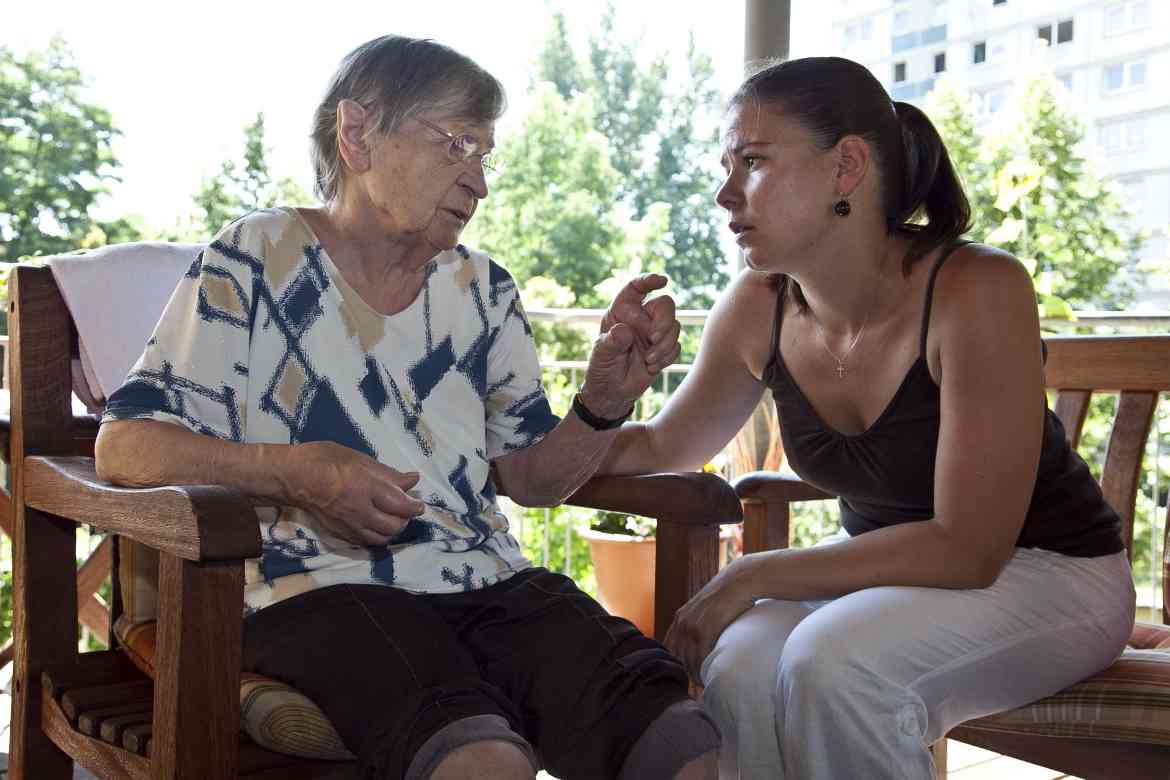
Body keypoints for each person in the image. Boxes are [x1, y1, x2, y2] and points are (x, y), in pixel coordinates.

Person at [94, 35, 719, 780]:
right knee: (480, 757)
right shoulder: (256, 258)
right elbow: (124, 445)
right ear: (357, 134)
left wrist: (602, 405)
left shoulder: (484, 291)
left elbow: (532, 480)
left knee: (680, 739)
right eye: (458, 144)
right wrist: (296, 473)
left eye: (486, 153)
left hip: (490, 585)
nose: (479, 180)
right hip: (317, 592)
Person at [596, 56, 1135, 779]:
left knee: (836, 664)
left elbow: (968, 550)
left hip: (1048, 576)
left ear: (847, 166)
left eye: (753, 163)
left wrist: (753, 573)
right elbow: (664, 440)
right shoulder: (761, 304)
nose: (725, 194)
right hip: (884, 589)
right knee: (743, 664)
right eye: (726, 166)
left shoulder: (975, 288)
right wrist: (546, 430)